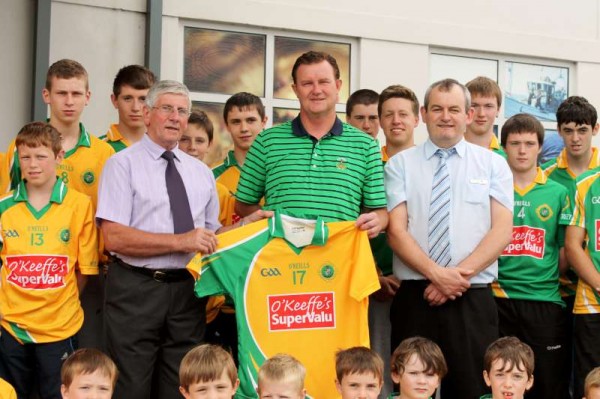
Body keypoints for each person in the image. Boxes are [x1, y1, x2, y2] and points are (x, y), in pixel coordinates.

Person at [96, 80, 268, 399]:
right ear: (147, 114)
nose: (175, 117)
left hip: (188, 291)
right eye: (167, 109)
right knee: (130, 386)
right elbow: (113, 237)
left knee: (183, 387)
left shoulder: (200, 173)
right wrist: (181, 241)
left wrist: (246, 225)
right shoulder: (122, 165)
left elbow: (209, 237)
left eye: (182, 111)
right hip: (136, 289)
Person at [385, 78, 513, 399]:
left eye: (454, 109)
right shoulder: (400, 165)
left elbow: (502, 231)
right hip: (416, 297)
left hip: (472, 297)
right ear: (424, 114)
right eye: (438, 109)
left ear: (468, 115)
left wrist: (454, 278)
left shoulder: (493, 164)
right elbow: (396, 232)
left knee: (471, 388)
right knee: (413, 390)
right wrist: (437, 275)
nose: (446, 116)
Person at [187, 211, 379, 399]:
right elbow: (200, 264)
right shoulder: (246, 246)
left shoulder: (351, 241)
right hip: (266, 389)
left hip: (340, 390)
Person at [1, 59, 114, 350]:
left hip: (87, 273)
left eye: (76, 94)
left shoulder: (104, 153)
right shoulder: (21, 148)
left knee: (77, 365)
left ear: (88, 98)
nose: (69, 101)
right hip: (29, 278)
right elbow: (10, 205)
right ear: (46, 96)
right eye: (61, 93)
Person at [235, 50, 388, 238]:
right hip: (279, 260)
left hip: (340, 259)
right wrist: (269, 223)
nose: (316, 90)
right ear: (295, 90)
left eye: (324, 82)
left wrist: (377, 221)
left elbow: (379, 211)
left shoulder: (366, 146)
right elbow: (243, 203)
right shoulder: (267, 141)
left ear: (338, 86)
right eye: (307, 83)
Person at [0, 122, 99, 399]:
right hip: (13, 328)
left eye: (41, 156)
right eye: (25, 157)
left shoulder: (80, 205)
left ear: (58, 157)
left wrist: (60, 305)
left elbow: (85, 270)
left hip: (60, 327)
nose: (32, 165)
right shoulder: (3, 208)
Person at [494, 113, 569, 399]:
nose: (522, 150)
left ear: (540, 147)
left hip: (544, 301)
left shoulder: (559, 192)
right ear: (504, 147)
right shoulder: (493, 189)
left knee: (547, 383)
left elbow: (563, 251)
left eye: (529, 143)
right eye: (515, 143)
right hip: (499, 298)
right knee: (502, 382)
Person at [543, 96, 600, 398]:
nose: (575, 138)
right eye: (568, 130)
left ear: (595, 130)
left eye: (582, 130)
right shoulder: (548, 176)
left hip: (591, 291)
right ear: (559, 131)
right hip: (559, 291)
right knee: (564, 374)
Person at [369, 83, 420, 399]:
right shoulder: (368, 163)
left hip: (420, 281)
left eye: (403, 114)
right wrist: (373, 273)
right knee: (379, 362)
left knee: (420, 363)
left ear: (417, 119)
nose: (396, 120)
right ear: (380, 121)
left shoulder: (433, 164)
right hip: (375, 283)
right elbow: (353, 224)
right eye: (388, 114)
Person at [101, 64, 157, 152]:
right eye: (127, 98)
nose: (135, 108)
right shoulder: (96, 149)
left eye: (143, 99)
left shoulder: (165, 147)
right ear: (114, 100)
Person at [465, 76, 506, 158]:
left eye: (488, 106)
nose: (481, 114)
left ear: (498, 110)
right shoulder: (447, 151)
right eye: (474, 106)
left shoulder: (508, 159)